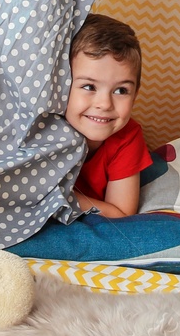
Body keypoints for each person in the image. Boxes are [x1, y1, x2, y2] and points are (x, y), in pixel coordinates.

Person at [64, 13, 149, 219]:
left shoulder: (127, 137)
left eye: (121, 91)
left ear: (135, 94)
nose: (105, 104)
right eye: (89, 86)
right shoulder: (44, 128)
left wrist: (59, 198)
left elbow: (121, 212)